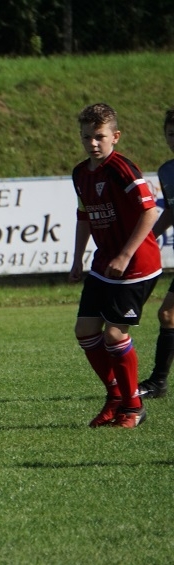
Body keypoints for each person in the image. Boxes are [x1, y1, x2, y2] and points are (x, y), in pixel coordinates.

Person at [68, 103, 161, 428]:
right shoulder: (80, 173)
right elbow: (84, 215)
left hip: (136, 265)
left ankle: (133, 407)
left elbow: (150, 212)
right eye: (87, 137)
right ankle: (115, 396)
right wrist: (77, 257)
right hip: (103, 263)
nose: (93, 143)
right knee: (85, 330)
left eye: (100, 136)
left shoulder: (122, 169)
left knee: (114, 334)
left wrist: (124, 255)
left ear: (115, 136)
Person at [138, 108, 174, 399]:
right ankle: (158, 383)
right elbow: (171, 211)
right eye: (171, 134)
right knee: (168, 314)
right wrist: (146, 238)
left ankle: (158, 381)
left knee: (168, 313)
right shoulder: (167, 171)